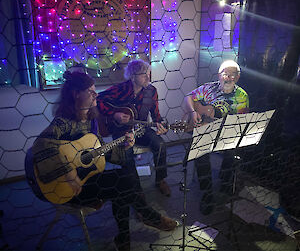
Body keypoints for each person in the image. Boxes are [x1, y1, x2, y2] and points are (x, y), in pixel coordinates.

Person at [32, 71, 177, 251]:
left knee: (124, 181)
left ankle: (125, 237)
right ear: (76, 94)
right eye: (90, 91)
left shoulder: (91, 120)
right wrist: (69, 173)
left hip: (87, 176)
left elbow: (98, 151)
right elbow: (40, 145)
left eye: (95, 91)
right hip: (69, 186)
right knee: (124, 184)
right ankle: (146, 217)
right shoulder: (64, 122)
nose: (95, 95)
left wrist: (124, 145)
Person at [183, 60, 249, 215]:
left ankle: (226, 183)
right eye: (225, 74)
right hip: (206, 132)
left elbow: (241, 122)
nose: (228, 78)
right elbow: (188, 97)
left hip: (226, 133)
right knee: (200, 153)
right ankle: (207, 193)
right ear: (219, 75)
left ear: (238, 77)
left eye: (233, 75)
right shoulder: (208, 88)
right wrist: (193, 112)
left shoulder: (242, 96)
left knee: (233, 152)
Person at [97, 59, 171, 196]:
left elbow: (156, 116)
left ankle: (160, 179)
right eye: (144, 74)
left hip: (142, 129)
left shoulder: (151, 91)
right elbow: (97, 100)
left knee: (160, 144)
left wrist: (162, 125)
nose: (148, 77)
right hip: (121, 131)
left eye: (148, 73)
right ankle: (136, 191)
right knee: (126, 154)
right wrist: (115, 114)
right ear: (133, 76)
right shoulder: (120, 89)